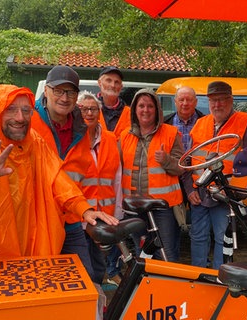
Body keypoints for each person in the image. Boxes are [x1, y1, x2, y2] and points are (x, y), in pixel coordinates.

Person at [0, 84, 118, 296]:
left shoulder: (33, 143)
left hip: (28, 255)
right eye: (11, 109)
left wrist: (84, 209)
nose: (20, 117)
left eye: (26, 110)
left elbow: (57, 179)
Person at [31, 65, 112, 283]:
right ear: (46, 91)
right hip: (37, 221)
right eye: (59, 91)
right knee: (42, 282)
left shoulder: (81, 128)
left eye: (71, 92)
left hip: (71, 218)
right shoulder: (30, 123)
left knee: (85, 281)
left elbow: (76, 175)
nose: (65, 98)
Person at [186, 81, 247, 269]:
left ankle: (220, 277)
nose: (217, 105)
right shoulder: (200, 124)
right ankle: (197, 276)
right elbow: (188, 161)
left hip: (225, 195)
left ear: (230, 100)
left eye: (222, 100)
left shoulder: (244, 122)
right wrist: (188, 190)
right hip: (199, 194)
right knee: (198, 237)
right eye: (213, 100)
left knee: (222, 239)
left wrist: (234, 192)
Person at [119, 89, 185, 261]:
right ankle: (147, 286)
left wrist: (167, 161)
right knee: (142, 255)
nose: (145, 110)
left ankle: (169, 287)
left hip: (163, 208)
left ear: (157, 110)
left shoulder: (171, 133)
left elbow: (182, 168)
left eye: (150, 106)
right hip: (134, 208)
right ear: (134, 109)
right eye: (141, 106)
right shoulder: (124, 136)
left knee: (166, 254)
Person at [77, 91, 124, 287]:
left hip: (104, 217)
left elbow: (118, 178)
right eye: (84, 109)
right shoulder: (72, 140)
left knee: (97, 266)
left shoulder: (111, 139)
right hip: (77, 219)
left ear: (99, 112)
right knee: (81, 268)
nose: (89, 113)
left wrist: (118, 213)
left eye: (93, 109)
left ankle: (99, 305)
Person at [164, 86, 205, 229]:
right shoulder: (164, 123)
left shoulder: (206, 122)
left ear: (196, 102)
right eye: (181, 99)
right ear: (175, 102)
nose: (185, 103)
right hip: (172, 180)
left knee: (199, 225)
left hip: (197, 180)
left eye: (189, 100)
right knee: (171, 224)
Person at [97, 66, 130, 138]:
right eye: (108, 80)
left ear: (121, 87)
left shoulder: (130, 113)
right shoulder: (88, 109)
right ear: (99, 83)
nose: (112, 85)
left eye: (117, 82)